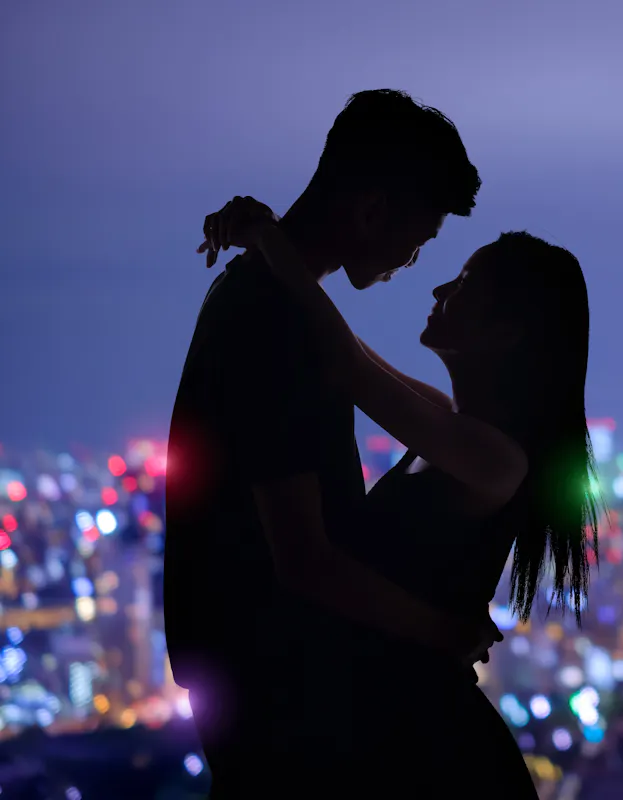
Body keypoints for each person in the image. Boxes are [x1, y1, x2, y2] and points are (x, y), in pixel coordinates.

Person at [197, 194, 601, 797]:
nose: (440, 287)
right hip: (394, 729)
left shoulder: (495, 458)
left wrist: (270, 239)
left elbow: (347, 366)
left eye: (465, 283)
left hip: (428, 749)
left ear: (507, 331)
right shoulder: (446, 427)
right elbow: (349, 355)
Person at [164, 90, 500, 797]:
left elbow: (348, 357)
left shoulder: (265, 303)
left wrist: (270, 241)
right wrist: (446, 634)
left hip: (260, 676)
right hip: (281, 687)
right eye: (422, 237)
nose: (414, 261)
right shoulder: (273, 320)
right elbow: (306, 560)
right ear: (372, 210)